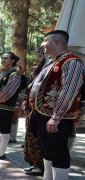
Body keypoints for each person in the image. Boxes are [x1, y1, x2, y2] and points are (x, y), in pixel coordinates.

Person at [29, 30, 85, 180]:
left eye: (45, 41)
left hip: (54, 118)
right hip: (41, 114)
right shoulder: (52, 61)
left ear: (56, 42)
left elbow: (69, 90)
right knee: (47, 151)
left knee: (58, 154)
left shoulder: (72, 61)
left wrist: (56, 116)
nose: (42, 45)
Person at [22, 47, 47, 176]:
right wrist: (25, 103)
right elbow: (29, 90)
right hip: (31, 110)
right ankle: (34, 163)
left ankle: (40, 166)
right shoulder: (36, 72)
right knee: (30, 137)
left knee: (38, 139)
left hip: (40, 111)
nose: (37, 58)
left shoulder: (47, 72)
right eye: (37, 56)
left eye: (40, 56)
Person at [9, 62, 28, 143]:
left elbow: (24, 90)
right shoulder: (8, 75)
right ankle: (7, 136)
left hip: (16, 100)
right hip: (6, 99)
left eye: (16, 66)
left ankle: (12, 137)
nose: (14, 68)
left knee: (14, 117)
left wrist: (17, 97)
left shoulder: (23, 77)